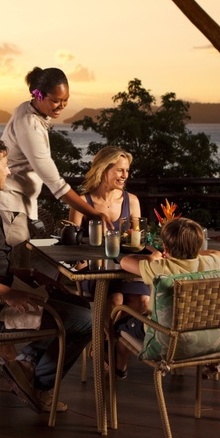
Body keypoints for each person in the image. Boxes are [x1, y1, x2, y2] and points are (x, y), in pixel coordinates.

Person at [0, 136, 92, 414]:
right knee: (85, 320)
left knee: (78, 304)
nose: (9, 171)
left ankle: (25, 366)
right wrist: (9, 293)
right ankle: (36, 384)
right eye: (5, 164)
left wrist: (27, 273)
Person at [0, 67, 107, 259]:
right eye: (55, 101)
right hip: (11, 204)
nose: (61, 106)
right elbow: (55, 183)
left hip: (20, 204)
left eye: (65, 100)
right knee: (17, 265)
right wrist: (95, 214)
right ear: (38, 95)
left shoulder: (28, 110)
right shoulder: (29, 123)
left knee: (24, 263)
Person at [116, 217, 220, 378]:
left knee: (120, 323)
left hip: (163, 337)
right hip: (201, 334)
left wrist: (154, 257)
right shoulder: (210, 263)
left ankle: (120, 368)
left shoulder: (160, 267)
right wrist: (195, 253)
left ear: (166, 247)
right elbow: (218, 254)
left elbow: (124, 262)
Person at [68, 146, 150, 341]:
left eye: (127, 170)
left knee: (144, 303)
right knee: (115, 301)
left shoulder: (132, 201)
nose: (125, 175)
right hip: (96, 274)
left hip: (126, 272)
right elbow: (71, 246)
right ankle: (108, 347)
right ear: (104, 169)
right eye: (120, 170)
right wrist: (82, 267)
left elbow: (137, 242)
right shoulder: (81, 202)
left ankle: (105, 342)